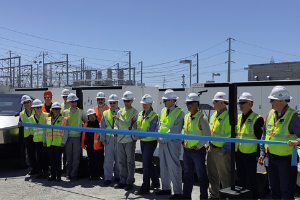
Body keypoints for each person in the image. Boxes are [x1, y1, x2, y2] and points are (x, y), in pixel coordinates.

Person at [258, 86, 300, 199]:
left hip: (286, 160)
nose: (270, 102)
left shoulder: (294, 116)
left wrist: (297, 141)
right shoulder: (270, 114)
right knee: (273, 189)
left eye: (272, 100)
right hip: (271, 158)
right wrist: (262, 152)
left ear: (281, 101)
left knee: (286, 190)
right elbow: (264, 136)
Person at [155, 89, 184, 199]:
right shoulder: (163, 110)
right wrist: (159, 137)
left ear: (172, 100)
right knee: (163, 166)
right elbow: (160, 125)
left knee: (174, 167)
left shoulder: (180, 112)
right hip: (162, 142)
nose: (164, 102)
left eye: (165, 100)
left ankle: (178, 192)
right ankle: (166, 189)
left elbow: (175, 129)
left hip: (172, 143)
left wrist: (163, 139)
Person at [180, 93, 210, 200]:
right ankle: (186, 195)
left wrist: (198, 146)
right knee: (187, 174)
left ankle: (203, 197)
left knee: (201, 175)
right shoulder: (187, 116)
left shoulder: (202, 117)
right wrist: (183, 141)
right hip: (187, 150)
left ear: (196, 104)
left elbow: (207, 135)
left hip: (197, 151)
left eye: (190, 103)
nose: (188, 105)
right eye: (187, 103)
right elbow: (185, 131)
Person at [235, 92, 264, 199]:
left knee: (251, 179)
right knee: (241, 178)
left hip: (250, 154)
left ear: (250, 104)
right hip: (239, 153)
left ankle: (253, 197)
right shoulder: (238, 117)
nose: (240, 105)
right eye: (239, 103)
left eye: (243, 103)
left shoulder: (257, 118)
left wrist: (258, 154)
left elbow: (260, 138)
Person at [206, 92, 231, 199]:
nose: (213, 103)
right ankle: (214, 196)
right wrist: (208, 143)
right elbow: (211, 131)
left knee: (224, 177)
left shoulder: (228, 116)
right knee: (212, 174)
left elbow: (231, 135)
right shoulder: (214, 115)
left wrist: (224, 150)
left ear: (222, 102)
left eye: (215, 101)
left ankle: (226, 197)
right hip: (212, 148)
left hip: (221, 151)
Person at [133, 94, 160, 195]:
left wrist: (138, 137)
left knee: (145, 164)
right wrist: (134, 134)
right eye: (143, 103)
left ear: (151, 104)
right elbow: (137, 127)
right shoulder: (140, 114)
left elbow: (151, 131)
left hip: (150, 142)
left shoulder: (154, 116)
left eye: (146, 103)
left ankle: (145, 188)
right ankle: (156, 182)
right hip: (143, 142)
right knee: (148, 162)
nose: (144, 105)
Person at [113, 91, 139, 191]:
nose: (126, 102)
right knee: (121, 162)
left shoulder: (135, 112)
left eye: (127, 101)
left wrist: (119, 120)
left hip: (129, 140)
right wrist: (115, 131)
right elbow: (116, 124)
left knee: (130, 162)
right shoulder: (120, 111)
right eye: (124, 101)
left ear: (132, 101)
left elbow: (130, 126)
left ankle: (129, 182)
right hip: (120, 140)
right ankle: (122, 180)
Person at [65, 93, 87, 181]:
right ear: (69, 102)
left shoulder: (81, 112)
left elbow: (86, 122)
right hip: (68, 137)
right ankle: (68, 173)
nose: (74, 103)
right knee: (68, 156)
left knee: (76, 157)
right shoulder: (65, 112)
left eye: (75, 101)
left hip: (77, 137)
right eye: (72, 102)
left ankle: (74, 174)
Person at [43, 102, 68, 181]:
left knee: (58, 160)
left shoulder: (63, 119)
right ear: (52, 110)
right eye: (55, 109)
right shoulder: (47, 119)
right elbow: (45, 131)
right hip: (50, 143)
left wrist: (63, 142)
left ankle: (58, 176)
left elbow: (66, 132)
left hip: (58, 143)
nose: (57, 110)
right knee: (52, 160)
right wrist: (44, 140)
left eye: (58, 109)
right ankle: (53, 175)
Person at [100, 94, 120, 186]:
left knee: (119, 158)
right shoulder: (105, 113)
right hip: (108, 139)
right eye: (111, 103)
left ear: (117, 103)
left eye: (114, 103)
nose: (112, 104)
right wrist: (103, 139)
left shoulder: (121, 112)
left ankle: (118, 176)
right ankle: (108, 177)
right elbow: (102, 127)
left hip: (119, 138)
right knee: (108, 159)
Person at [28, 99, 49, 179]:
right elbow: (30, 130)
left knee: (45, 157)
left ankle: (46, 171)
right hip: (36, 140)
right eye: (37, 107)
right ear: (34, 108)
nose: (39, 109)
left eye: (40, 107)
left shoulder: (46, 115)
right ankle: (40, 171)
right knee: (39, 157)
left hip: (44, 140)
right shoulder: (30, 119)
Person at [81, 109, 104, 180]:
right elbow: (84, 135)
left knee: (98, 160)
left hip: (98, 146)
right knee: (91, 161)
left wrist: (102, 145)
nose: (92, 117)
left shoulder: (99, 125)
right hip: (89, 146)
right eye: (90, 116)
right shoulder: (85, 125)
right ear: (88, 117)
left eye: (93, 115)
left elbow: (102, 135)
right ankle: (91, 174)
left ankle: (98, 174)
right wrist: (84, 144)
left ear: (95, 116)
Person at [18, 95, 38, 175]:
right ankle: (34, 168)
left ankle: (41, 168)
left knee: (39, 153)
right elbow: (20, 123)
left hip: (37, 135)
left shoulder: (36, 110)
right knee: (31, 153)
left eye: (28, 102)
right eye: (24, 103)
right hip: (28, 136)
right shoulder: (21, 114)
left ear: (31, 102)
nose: (26, 104)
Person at [60, 88, 70, 173]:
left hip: (70, 131)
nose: (65, 98)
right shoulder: (61, 106)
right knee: (63, 151)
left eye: (66, 96)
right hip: (62, 131)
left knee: (68, 152)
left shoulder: (72, 105)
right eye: (64, 96)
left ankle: (67, 168)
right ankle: (64, 168)